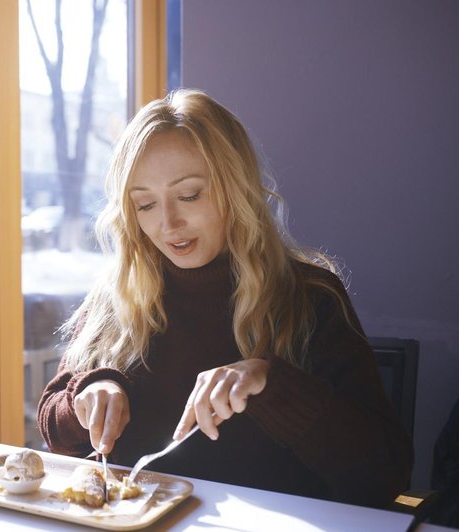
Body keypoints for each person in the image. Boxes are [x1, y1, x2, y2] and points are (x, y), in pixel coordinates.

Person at [37, 89, 413, 508]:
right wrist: (88, 393)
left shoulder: (311, 298)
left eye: (190, 195)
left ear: (236, 189)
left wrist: (270, 383)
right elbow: (56, 432)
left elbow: (385, 474)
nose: (168, 224)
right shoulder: (117, 294)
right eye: (145, 204)